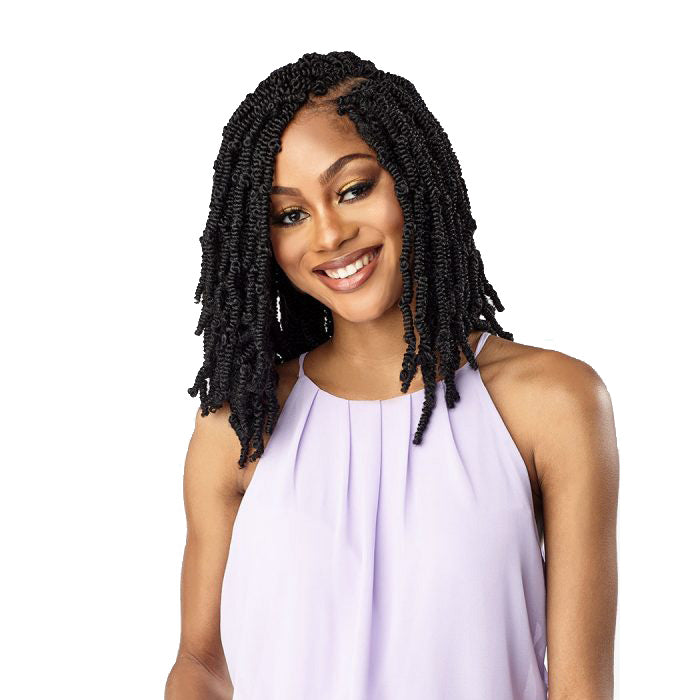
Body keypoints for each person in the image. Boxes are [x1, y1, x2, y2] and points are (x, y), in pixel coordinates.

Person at [164, 51, 619, 700]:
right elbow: (202, 664)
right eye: (290, 214)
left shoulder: (553, 404)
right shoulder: (241, 425)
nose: (329, 235)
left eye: (353, 189)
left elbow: (579, 689)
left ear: (414, 177)